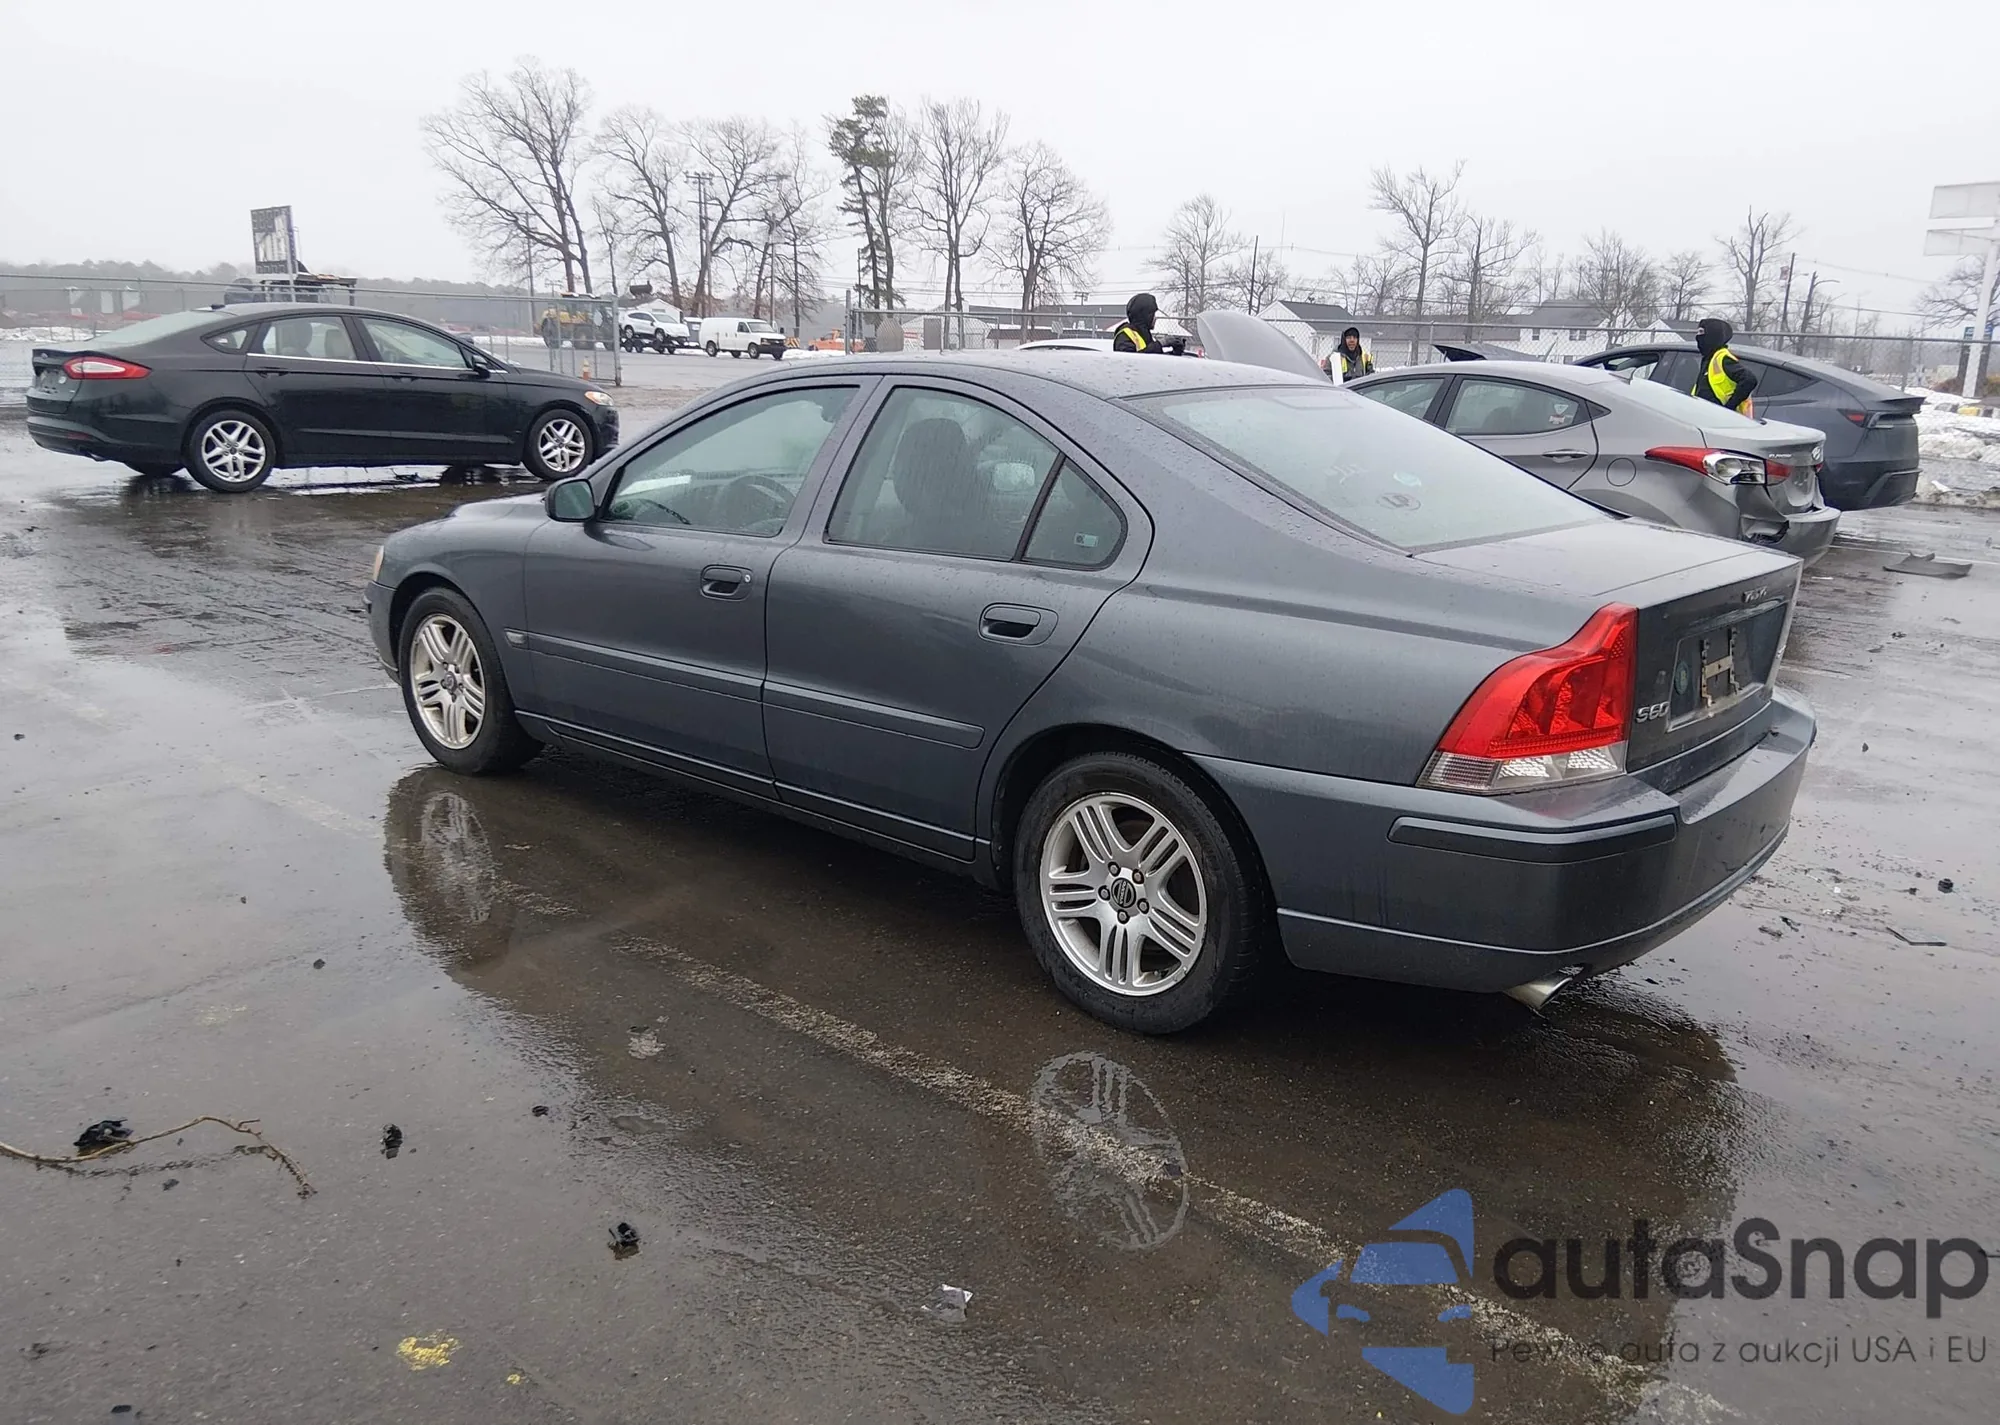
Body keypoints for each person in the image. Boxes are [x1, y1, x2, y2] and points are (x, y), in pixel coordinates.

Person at [1691, 317, 1758, 415]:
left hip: (1719, 418)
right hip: (1704, 414)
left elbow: (1749, 380)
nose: (1697, 336)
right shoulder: (1708, 358)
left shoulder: (1722, 358)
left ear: (1712, 335)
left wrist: (1729, 407)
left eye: (1701, 332)